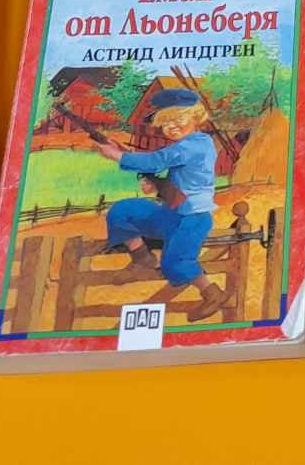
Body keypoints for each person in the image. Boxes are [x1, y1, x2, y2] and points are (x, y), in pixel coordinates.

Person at [96, 99, 228, 320]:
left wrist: (118, 156)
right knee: (122, 211)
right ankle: (142, 259)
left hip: (193, 218)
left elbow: (158, 160)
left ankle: (212, 293)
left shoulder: (197, 144)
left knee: (174, 262)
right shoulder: (186, 145)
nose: (171, 127)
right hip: (172, 212)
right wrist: (155, 182)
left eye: (178, 119)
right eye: (165, 123)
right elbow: (176, 178)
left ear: (197, 118)